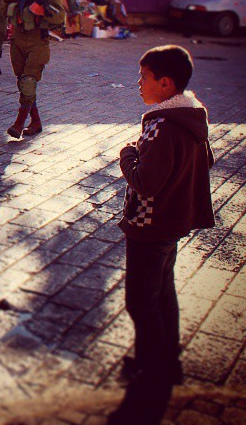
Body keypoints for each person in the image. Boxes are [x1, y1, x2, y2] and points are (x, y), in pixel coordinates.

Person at [108, 45, 215, 425]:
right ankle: (166, 360)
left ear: (164, 83)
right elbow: (206, 161)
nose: (138, 84)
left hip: (149, 227)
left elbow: (145, 182)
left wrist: (127, 154)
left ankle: (153, 370)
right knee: (163, 293)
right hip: (173, 223)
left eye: (144, 78)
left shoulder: (160, 127)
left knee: (140, 301)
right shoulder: (190, 120)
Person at [3, 0, 64, 138]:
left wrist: (43, 12)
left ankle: (18, 124)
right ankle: (36, 122)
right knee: (23, 83)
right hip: (18, 38)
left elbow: (60, 18)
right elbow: (3, 11)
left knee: (29, 82)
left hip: (38, 40)